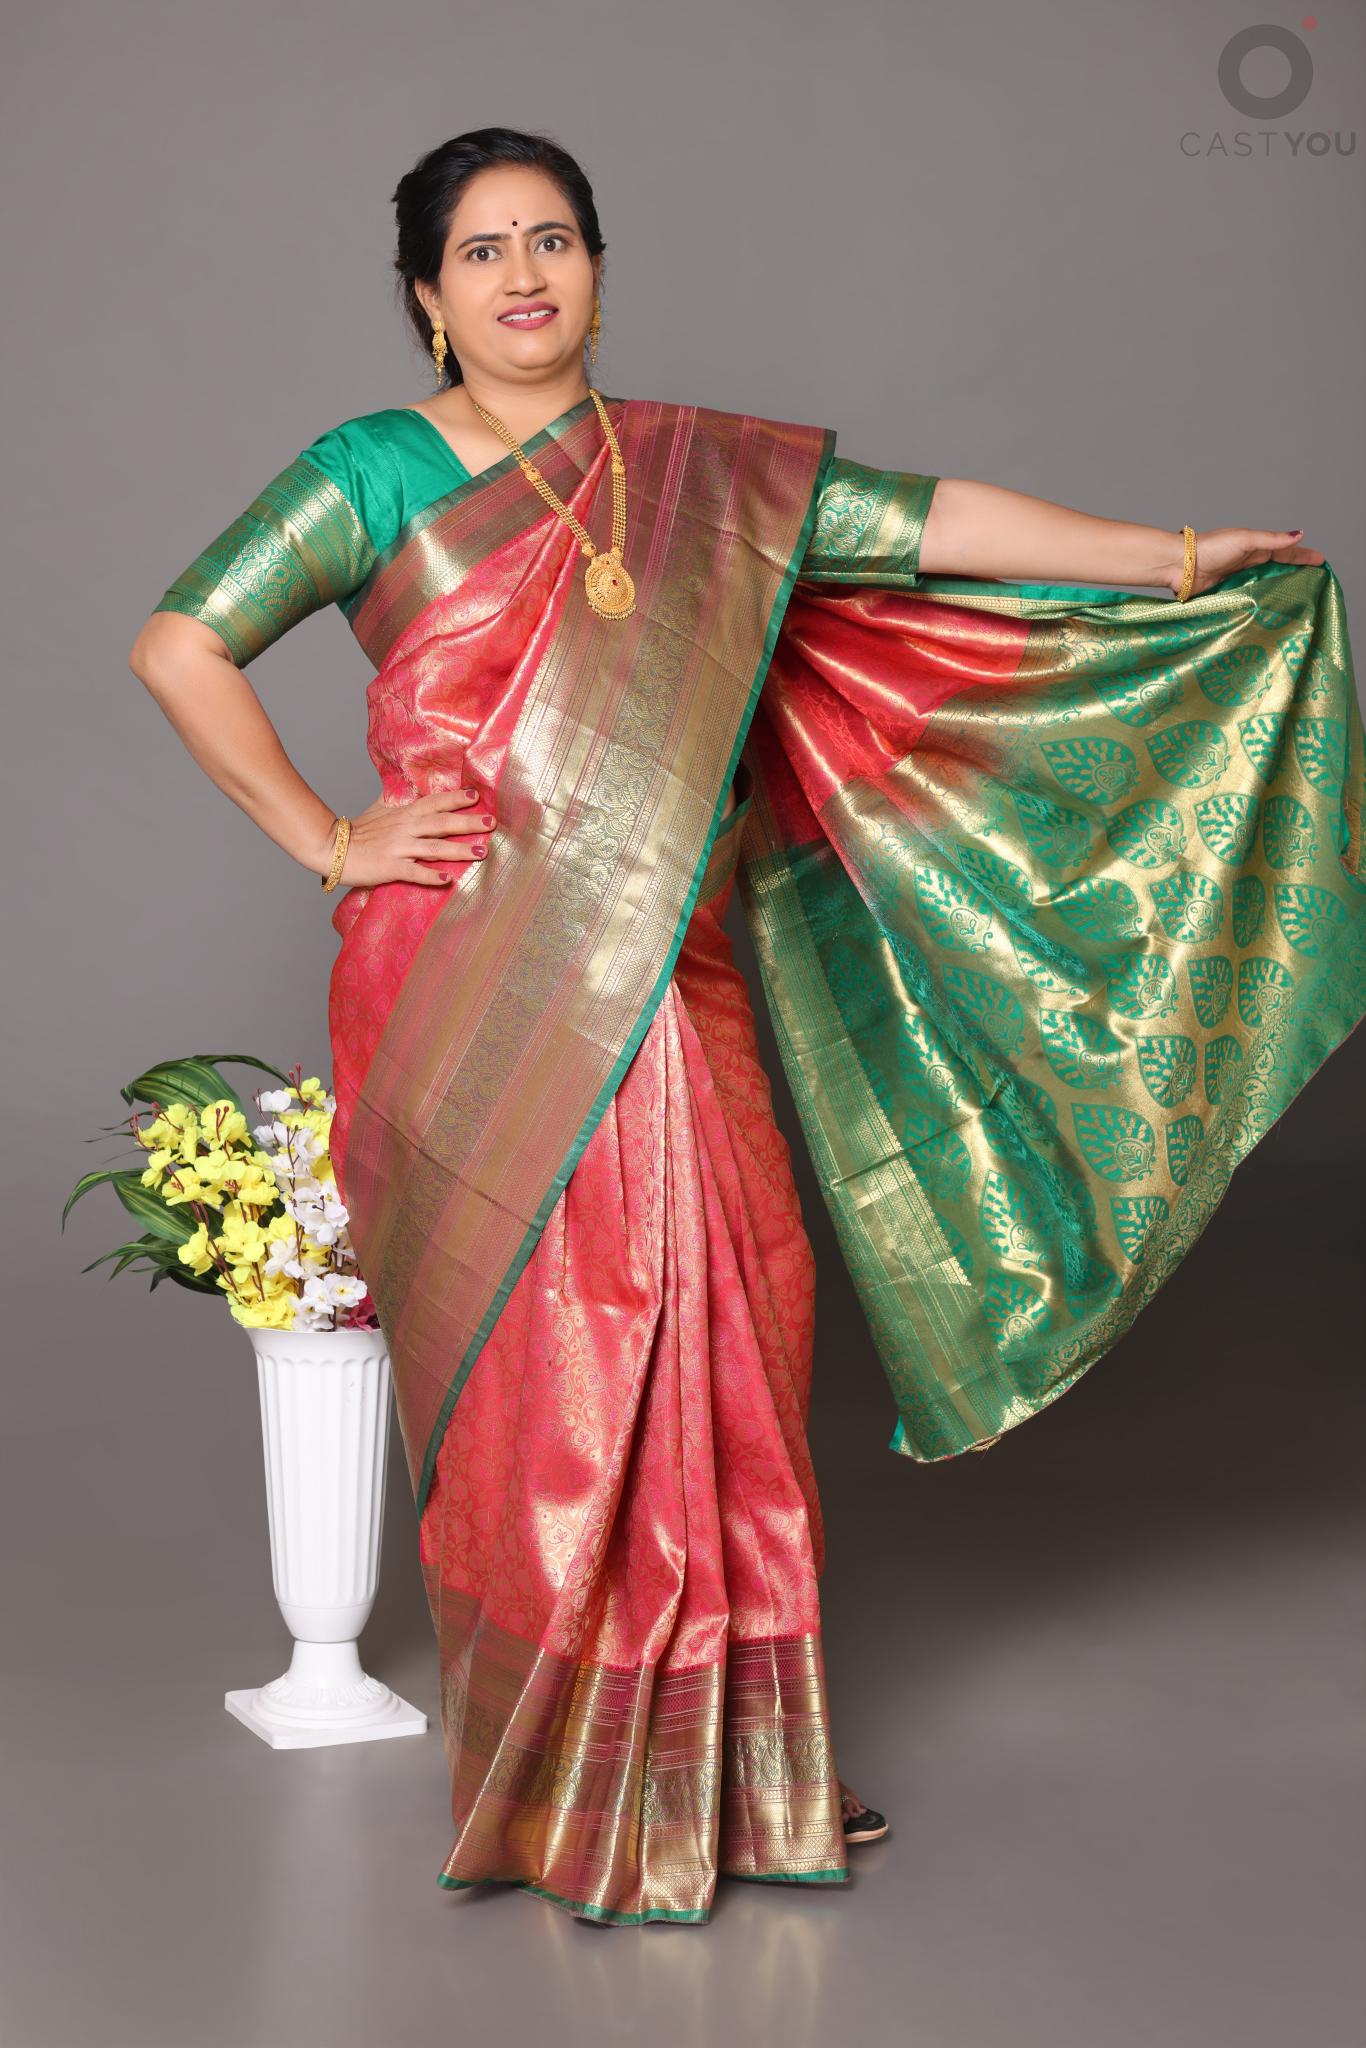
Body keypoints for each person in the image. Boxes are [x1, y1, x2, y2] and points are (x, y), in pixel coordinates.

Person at [128, 126, 1366, 1929]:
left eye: (554, 238)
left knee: (729, 1323)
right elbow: (181, 643)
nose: (524, 274)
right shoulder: (371, 472)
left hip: (673, 971)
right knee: (547, 1377)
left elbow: (930, 522)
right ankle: (565, 1775)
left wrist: (1172, 560)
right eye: (482, 250)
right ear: (426, 295)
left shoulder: (705, 479)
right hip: (465, 967)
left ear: (598, 266)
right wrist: (332, 838)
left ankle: (738, 1761)